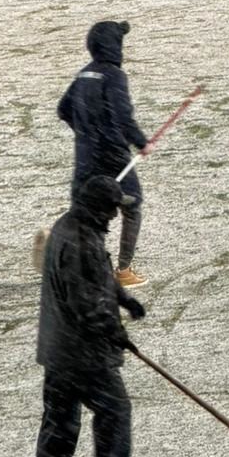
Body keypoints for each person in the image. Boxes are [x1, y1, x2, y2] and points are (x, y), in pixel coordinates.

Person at [34, 174, 151, 457]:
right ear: (100, 209)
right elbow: (86, 303)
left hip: (58, 349)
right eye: (113, 209)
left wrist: (123, 298)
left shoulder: (69, 227)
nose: (116, 216)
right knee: (115, 412)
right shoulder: (81, 241)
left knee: (60, 423)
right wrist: (115, 332)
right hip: (83, 353)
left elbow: (97, 277)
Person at [58, 19, 149, 288]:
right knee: (131, 205)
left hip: (85, 156)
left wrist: (84, 132)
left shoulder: (83, 75)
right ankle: (124, 271)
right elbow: (123, 116)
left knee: (85, 209)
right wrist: (141, 142)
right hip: (112, 156)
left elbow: (63, 109)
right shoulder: (114, 75)